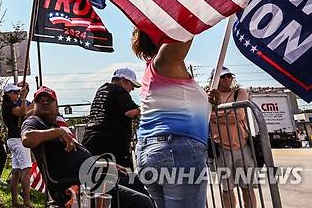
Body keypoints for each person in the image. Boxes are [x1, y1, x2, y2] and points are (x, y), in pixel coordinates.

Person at [21, 86, 153, 208]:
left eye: (49, 100)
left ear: (56, 106)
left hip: (92, 176)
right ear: (35, 106)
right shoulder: (34, 122)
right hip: (77, 184)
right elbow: (27, 139)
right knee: (142, 203)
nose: (44, 102)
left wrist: (104, 164)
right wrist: (58, 132)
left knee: (134, 180)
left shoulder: (56, 125)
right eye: (40, 100)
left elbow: (78, 160)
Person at [132, 27, 213, 208]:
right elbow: (186, 27)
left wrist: (208, 101)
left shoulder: (157, 71)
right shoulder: (164, 62)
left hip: (154, 151)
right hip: (175, 151)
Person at [209, 67, 256, 208]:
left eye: (229, 76)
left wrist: (216, 113)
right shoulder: (209, 96)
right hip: (221, 148)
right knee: (227, 190)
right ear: (215, 79)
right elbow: (205, 115)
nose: (227, 79)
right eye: (223, 77)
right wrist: (227, 112)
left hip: (243, 146)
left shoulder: (239, 93)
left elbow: (239, 115)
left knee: (248, 188)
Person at [82, 68, 141, 169]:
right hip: (111, 142)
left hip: (90, 140)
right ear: (123, 80)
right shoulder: (119, 90)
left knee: (95, 176)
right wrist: (142, 110)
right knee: (125, 177)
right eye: (132, 85)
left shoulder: (102, 89)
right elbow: (131, 112)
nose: (132, 89)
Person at [2, 83, 34, 207]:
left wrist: (27, 94)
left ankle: (15, 201)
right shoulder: (8, 105)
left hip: (13, 139)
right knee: (26, 170)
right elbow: (22, 112)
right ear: (8, 94)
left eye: (17, 92)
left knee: (16, 172)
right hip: (17, 140)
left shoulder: (12, 103)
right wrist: (24, 98)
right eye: (15, 92)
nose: (17, 94)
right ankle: (27, 201)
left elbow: (26, 110)